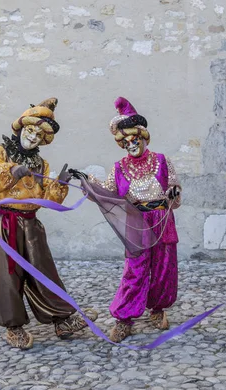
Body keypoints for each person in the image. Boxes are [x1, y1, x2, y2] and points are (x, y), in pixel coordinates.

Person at [0, 97, 97, 350]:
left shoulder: (41, 164)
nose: (32, 138)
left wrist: (60, 184)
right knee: (7, 274)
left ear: (43, 141)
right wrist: (10, 171)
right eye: (30, 131)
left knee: (43, 270)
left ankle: (62, 319)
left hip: (31, 223)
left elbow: (46, 199)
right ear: (22, 129)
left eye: (38, 136)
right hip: (4, 222)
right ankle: (13, 327)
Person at [71, 97, 181, 343]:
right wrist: (87, 182)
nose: (131, 145)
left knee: (164, 268)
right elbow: (109, 192)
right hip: (137, 222)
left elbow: (174, 188)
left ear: (143, 138)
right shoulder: (119, 168)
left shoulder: (162, 161)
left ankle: (157, 308)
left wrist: (174, 192)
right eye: (126, 142)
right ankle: (124, 318)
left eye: (135, 140)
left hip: (162, 218)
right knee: (135, 269)